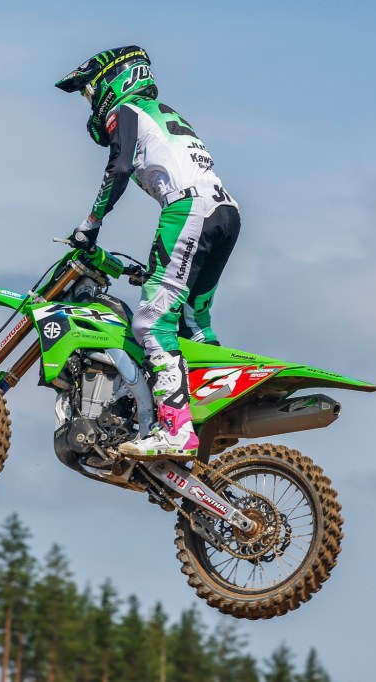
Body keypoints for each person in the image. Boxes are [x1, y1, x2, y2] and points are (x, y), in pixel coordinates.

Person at [55, 46, 241, 461]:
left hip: (188, 208)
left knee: (151, 323)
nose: (90, 102)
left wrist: (90, 224)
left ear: (112, 81)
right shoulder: (162, 113)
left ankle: (175, 430)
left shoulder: (128, 110)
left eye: (89, 92)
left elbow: (118, 169)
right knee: (193, 321)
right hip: (225, 211)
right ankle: (210, 416)